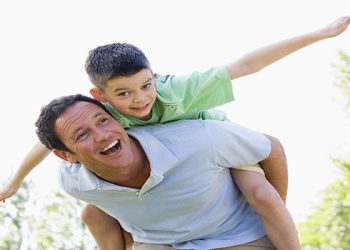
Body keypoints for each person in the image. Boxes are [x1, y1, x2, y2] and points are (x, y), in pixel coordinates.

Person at [2, 15, 350, 249]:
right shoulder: (100, 119)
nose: (140, 100)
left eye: (146, 85)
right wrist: (15, 181)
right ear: (101, 95)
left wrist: (320, 34)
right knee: (92, 212)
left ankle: (280, 234)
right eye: (124, 93)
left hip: (215, 151)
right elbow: (48, 142)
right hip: (157, 173)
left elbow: (246, 65)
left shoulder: (178, 90)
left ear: (154, 73)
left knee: (261, 195)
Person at [36, 94, 287, 250]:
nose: (102, 135)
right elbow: (107, 208)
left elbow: (272, 149)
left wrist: (276, 211)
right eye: (82, 135)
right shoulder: (73, 182)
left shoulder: (201, 138)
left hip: (235, 236)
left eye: (103, 121)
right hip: (160, 243)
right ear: (66, 156)